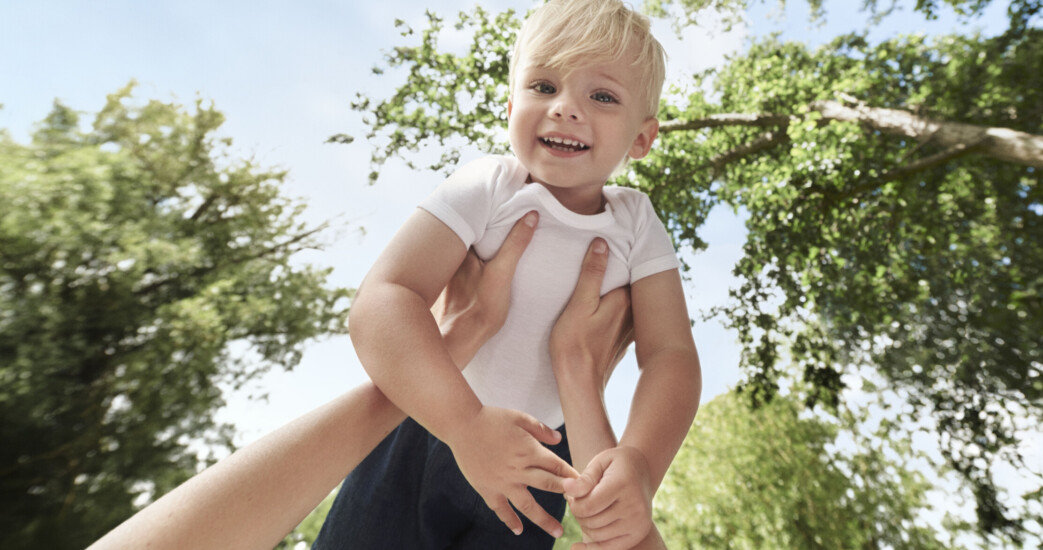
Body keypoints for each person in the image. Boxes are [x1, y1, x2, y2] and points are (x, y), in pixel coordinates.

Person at [317, 0, 702, 548]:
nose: (566, 108)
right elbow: (384, 297)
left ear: (642, 139)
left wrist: (639, 464)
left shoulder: (636, 223)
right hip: (425, 424)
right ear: (509, 105)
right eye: (543, 86)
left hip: (543, 460)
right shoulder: (490, 186)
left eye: (602, 96)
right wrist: (464, 424)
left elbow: (671, 356)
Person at [87, 217, 635, 550]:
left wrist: (457, 343)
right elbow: (379, 303)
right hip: (493, 433)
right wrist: (573, 371)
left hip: (498, 436)